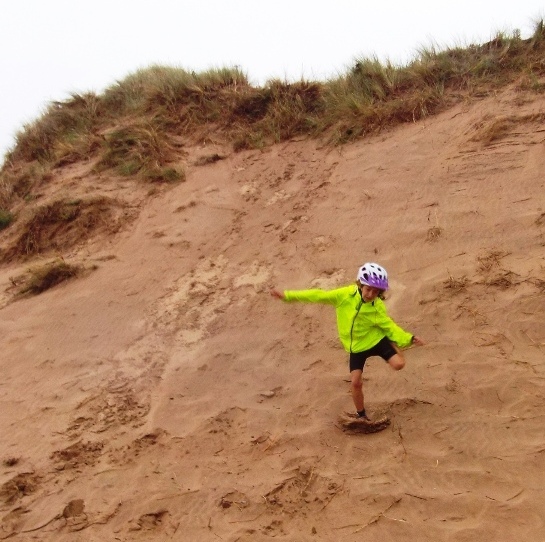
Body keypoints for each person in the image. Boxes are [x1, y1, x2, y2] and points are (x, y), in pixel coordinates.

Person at [270, 262, 425, 421]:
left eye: (376, 291)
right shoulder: (344, 295)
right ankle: (362, 416)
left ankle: (392, 343)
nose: (370, 294)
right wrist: (288, 296)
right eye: (368, 289)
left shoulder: (377, 307)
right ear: (360, 284)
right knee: (356, 382)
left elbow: (389, 325)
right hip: (356, 347)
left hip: (376, 340)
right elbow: (318, 295)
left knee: (399, 365)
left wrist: (409, 338)